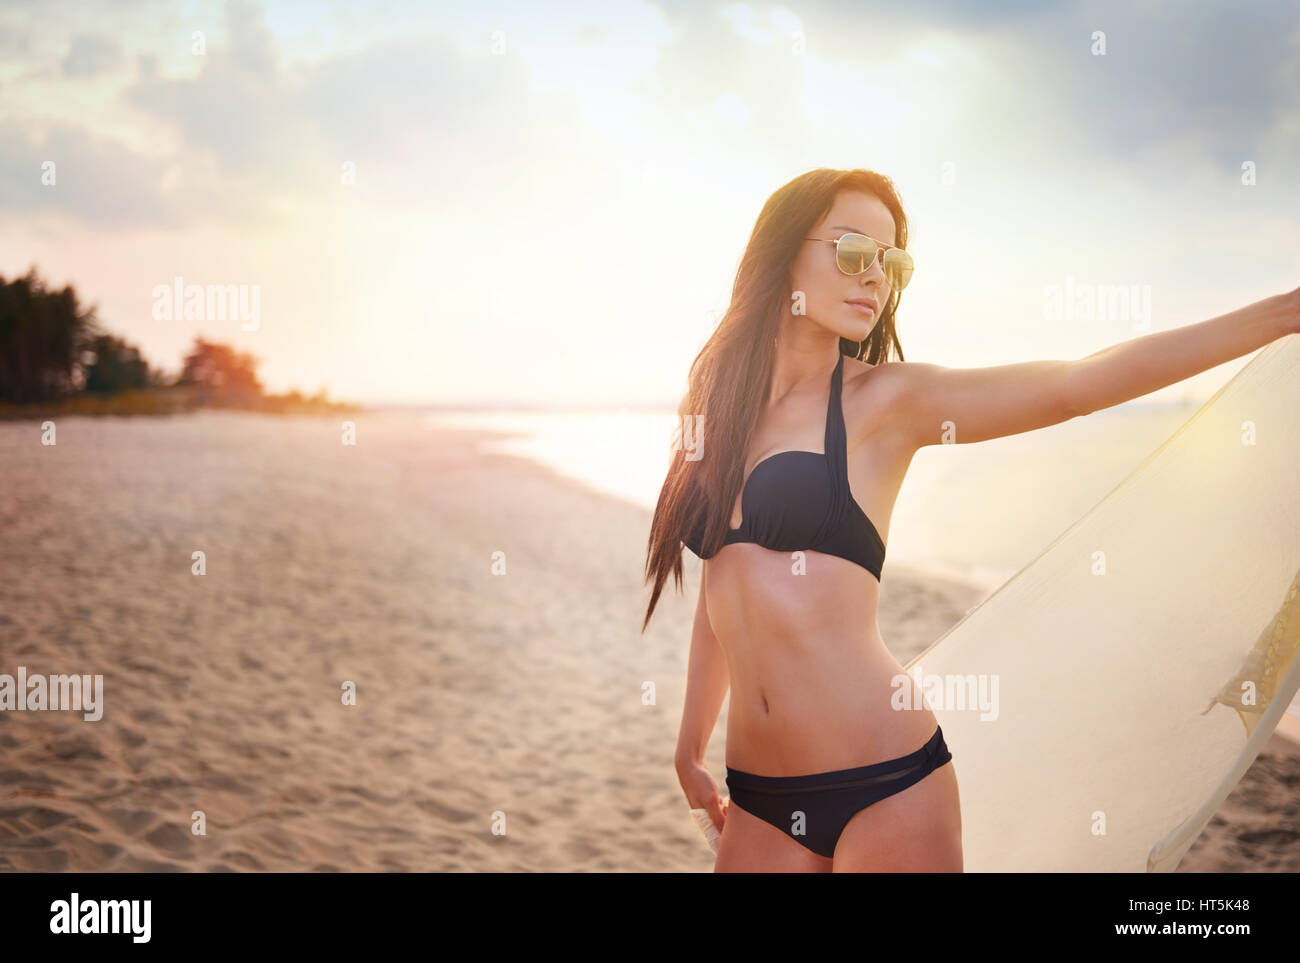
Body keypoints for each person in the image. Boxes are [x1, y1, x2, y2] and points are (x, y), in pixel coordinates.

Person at [641, 166, 1299, 872]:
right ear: (781, 254)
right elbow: (724, 592)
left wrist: (1283, 312)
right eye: (853, 251)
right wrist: (689, 746)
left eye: (891, 263)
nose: (875, 278)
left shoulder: (889, 403)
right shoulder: (715, 407)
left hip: (885, 784)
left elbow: (1076, 384)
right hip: (761, 799)